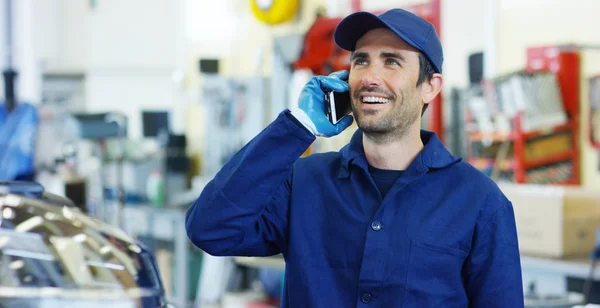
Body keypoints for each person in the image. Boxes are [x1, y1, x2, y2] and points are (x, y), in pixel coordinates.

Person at [186, 8, 524, 307]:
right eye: (361, 60)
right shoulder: (303, 183)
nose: (370, 78)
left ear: (430, 87)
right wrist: (298, 126)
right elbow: (210, 229)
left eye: (391, 61)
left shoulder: (479, 202)